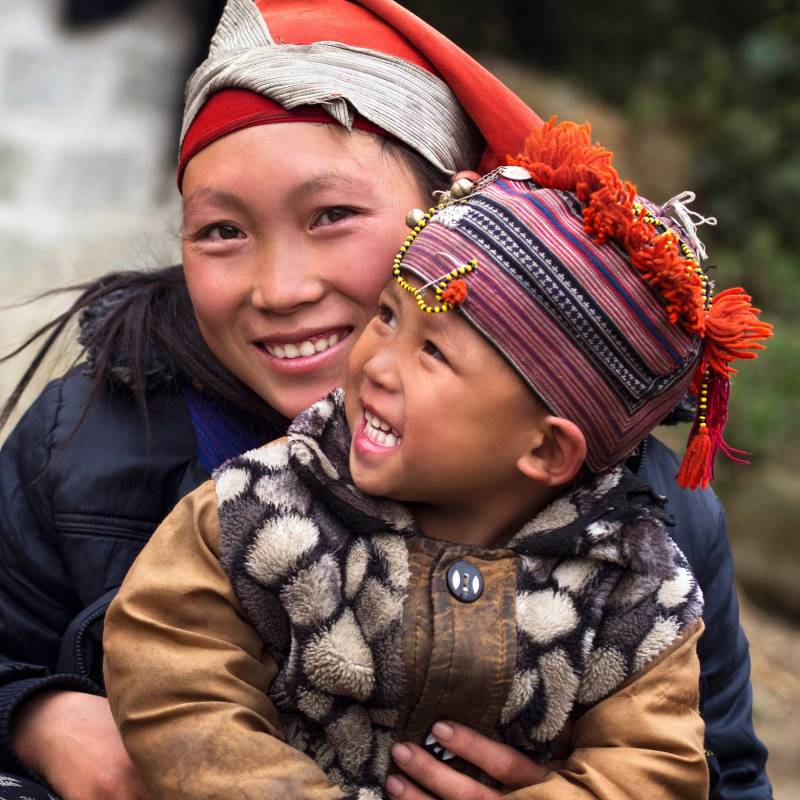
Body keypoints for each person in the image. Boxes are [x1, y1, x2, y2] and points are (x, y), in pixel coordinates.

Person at [0, 1, 771, 798]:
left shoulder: (645, 524)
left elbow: (726, 774)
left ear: (454, 214)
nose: (282, 289)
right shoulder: (86, 442)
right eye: (220, 232)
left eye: (332, 215)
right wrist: (38, 715)